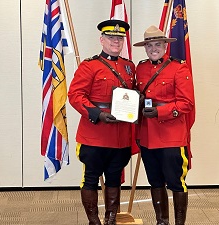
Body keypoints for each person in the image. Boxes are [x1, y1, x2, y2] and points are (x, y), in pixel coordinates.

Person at [68, 19, 135, 225]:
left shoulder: (129, 67)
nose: (116, 41)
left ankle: (111, 219)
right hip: (94, 135)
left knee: (114, 179)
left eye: (120, 38)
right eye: (111, 37)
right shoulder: (89, 66)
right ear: (102, 40)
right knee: (90, 179)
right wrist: (97, 113)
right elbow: (75, 95)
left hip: (120, 136)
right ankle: (94, 221)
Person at [133, 25, 195, 225]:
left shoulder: (179, 68)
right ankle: (162, 222)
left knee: (176, 182)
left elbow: (187, 103)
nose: (153, 49)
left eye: (157, 44)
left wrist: (160, 111)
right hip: (148, 136)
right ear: (145, 48)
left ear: (165, 46)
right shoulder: (140, 68)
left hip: (171, 135)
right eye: (149, 45)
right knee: (155, 181)